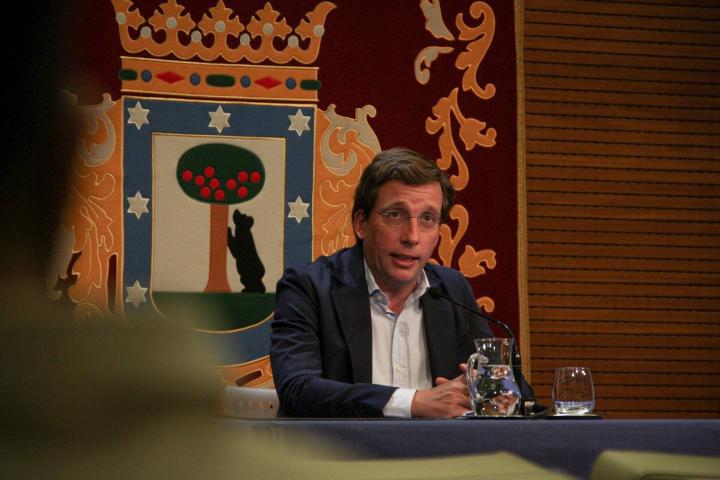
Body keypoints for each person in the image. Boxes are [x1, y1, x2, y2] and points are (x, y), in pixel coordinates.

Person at [270, 147, 533, 418]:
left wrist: (494, 390)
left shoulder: (451, 289)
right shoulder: (309, 287)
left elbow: (518, 395)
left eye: (427, 219)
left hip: (440, 446)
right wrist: (414, 402)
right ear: (361, 224)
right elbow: (297, 389)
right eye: (395, 215)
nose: (412, 237)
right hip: (342, 446)